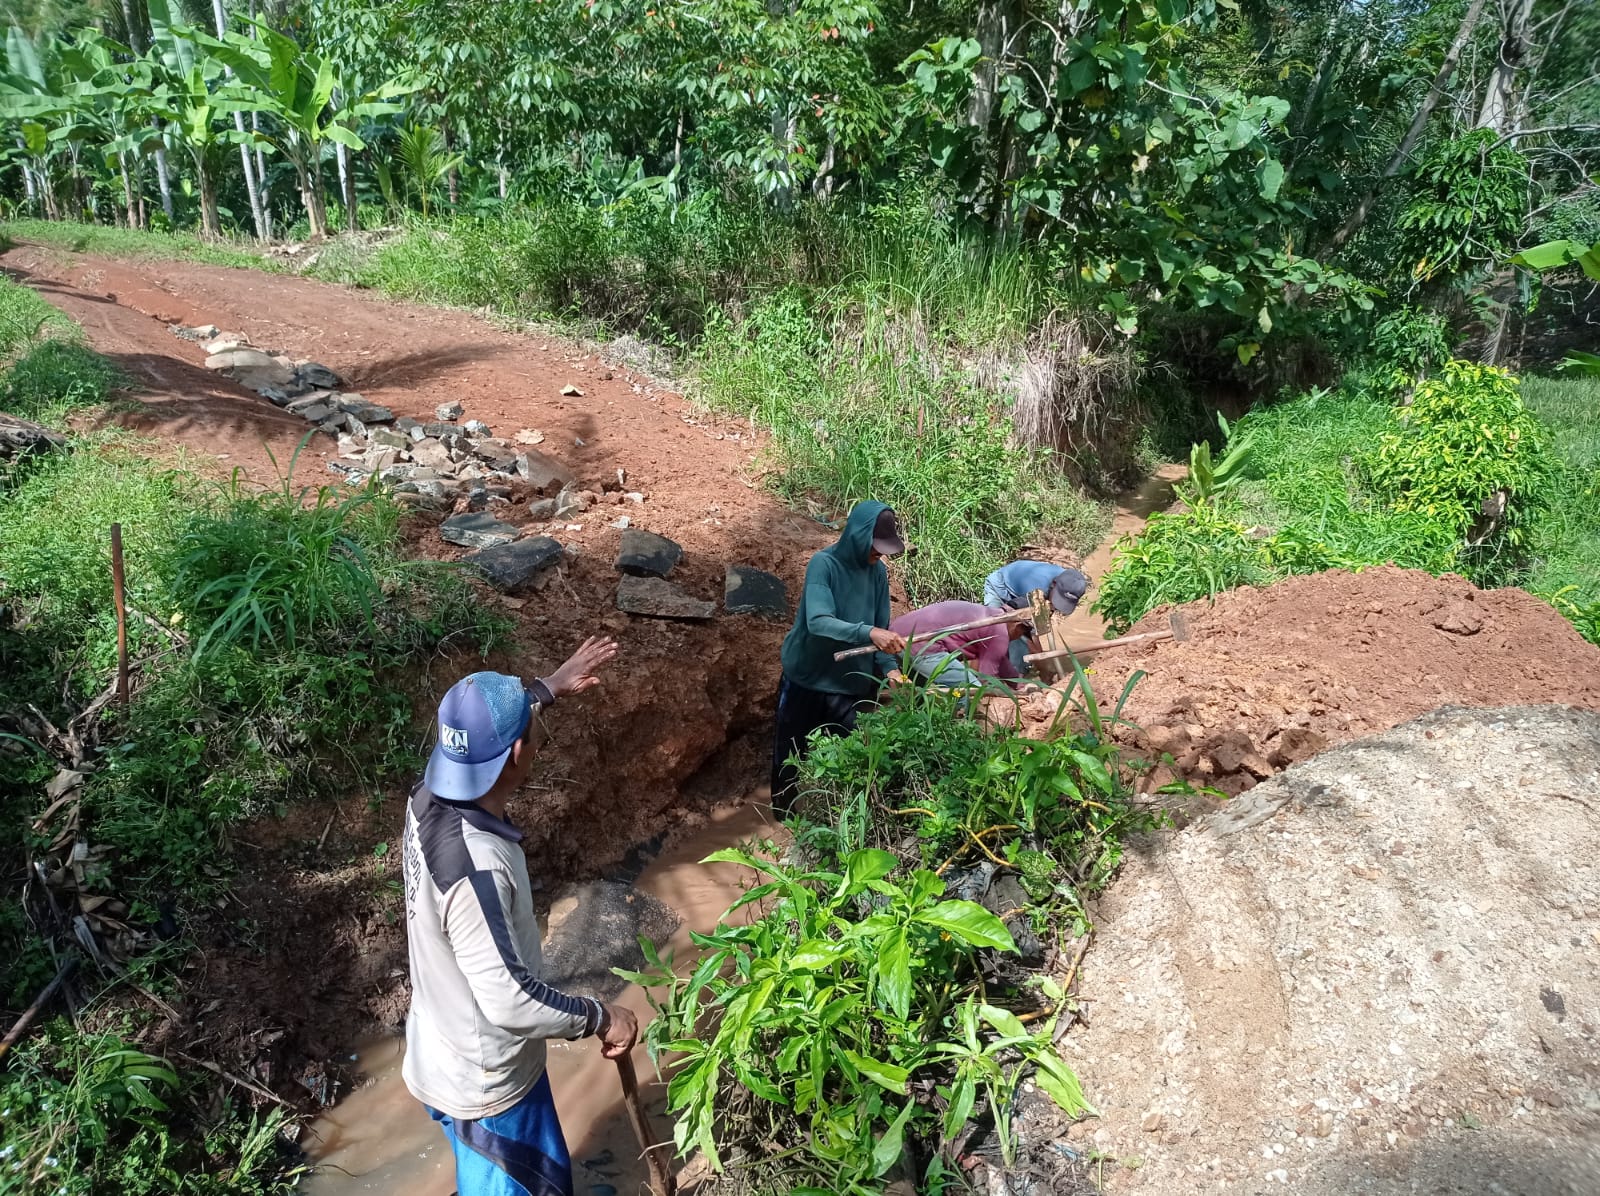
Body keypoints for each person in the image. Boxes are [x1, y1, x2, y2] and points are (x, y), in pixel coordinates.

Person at [401, 636, 639, 1196]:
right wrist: (601, 1016)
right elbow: (510, 1001)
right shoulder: (478, 868)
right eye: (533, 733)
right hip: (488, 1087)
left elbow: (484, 735)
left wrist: (549, 688)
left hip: (439, 1047)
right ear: (516, 754)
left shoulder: (424, 799)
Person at [770, 500, 907, 813]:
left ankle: (833, 820)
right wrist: (868, 633)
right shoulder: (824, 565)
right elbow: (818, 621)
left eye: (883, 549)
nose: (879, 554)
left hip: (849, 684)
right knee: (791, 753)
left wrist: (890, 670)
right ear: (857, 536)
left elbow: (882, 628)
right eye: (875, 546)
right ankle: (783, 815)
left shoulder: (877, 573)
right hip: (807, 676)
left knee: (846, 756)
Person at [889, 600, 1028, 691]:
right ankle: (968, 725)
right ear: (1017, 625)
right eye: (1024, 632)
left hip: (896, 636)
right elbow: (987, 679)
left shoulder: (992, 615)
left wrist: (1020, 685)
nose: (1019, 636)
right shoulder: (1000, 632)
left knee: (917, 694)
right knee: (972, 690)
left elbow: (1000, 661)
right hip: (920, 643)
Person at [981, 560, 1091, 674]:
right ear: (1053, 584)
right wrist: (1044, 668)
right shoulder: (1036, 589)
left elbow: (1041, 625)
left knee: (1021, 653)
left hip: (1022, 589)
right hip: (1000, 588)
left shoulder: (1069, 581)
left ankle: (1019, 670)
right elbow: (1031, 634)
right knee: (999, 634)